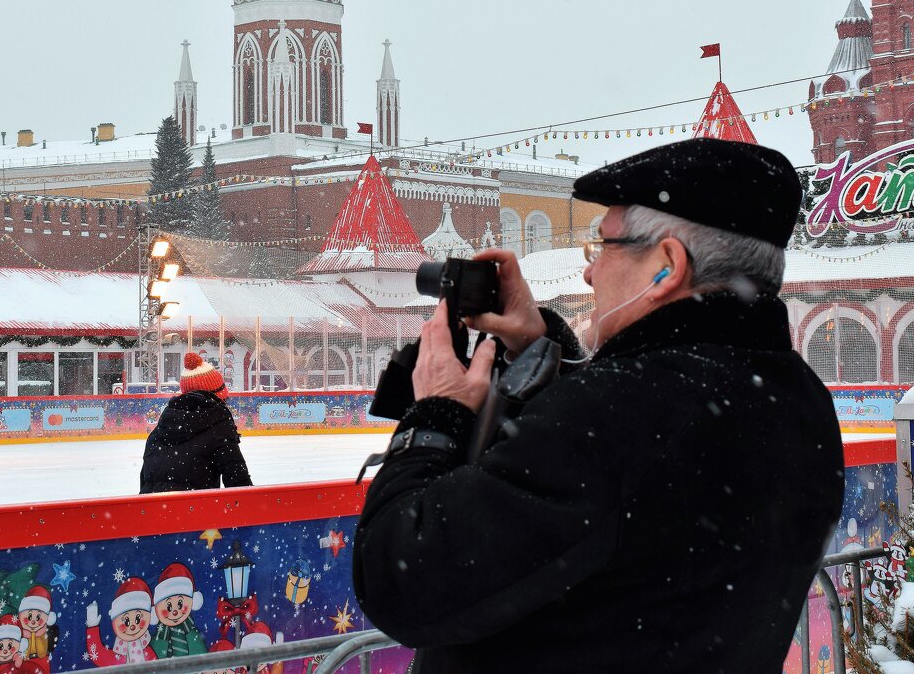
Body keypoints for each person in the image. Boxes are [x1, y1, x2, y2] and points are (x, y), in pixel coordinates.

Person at [352, 138, 845, 672]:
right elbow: (620, 513)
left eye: (603, 247)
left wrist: (436, 416)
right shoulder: (797, 399)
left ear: (667, 265)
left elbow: (402, 579)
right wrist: (540, 349)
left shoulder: (622, 414)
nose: (590, 272)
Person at [139, 353, 253, 493]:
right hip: (196, 511)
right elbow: (239, 484)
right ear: (217, 395)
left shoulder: (159, 429)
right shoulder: (219, 424)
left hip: (152, 510)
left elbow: (146, 483)